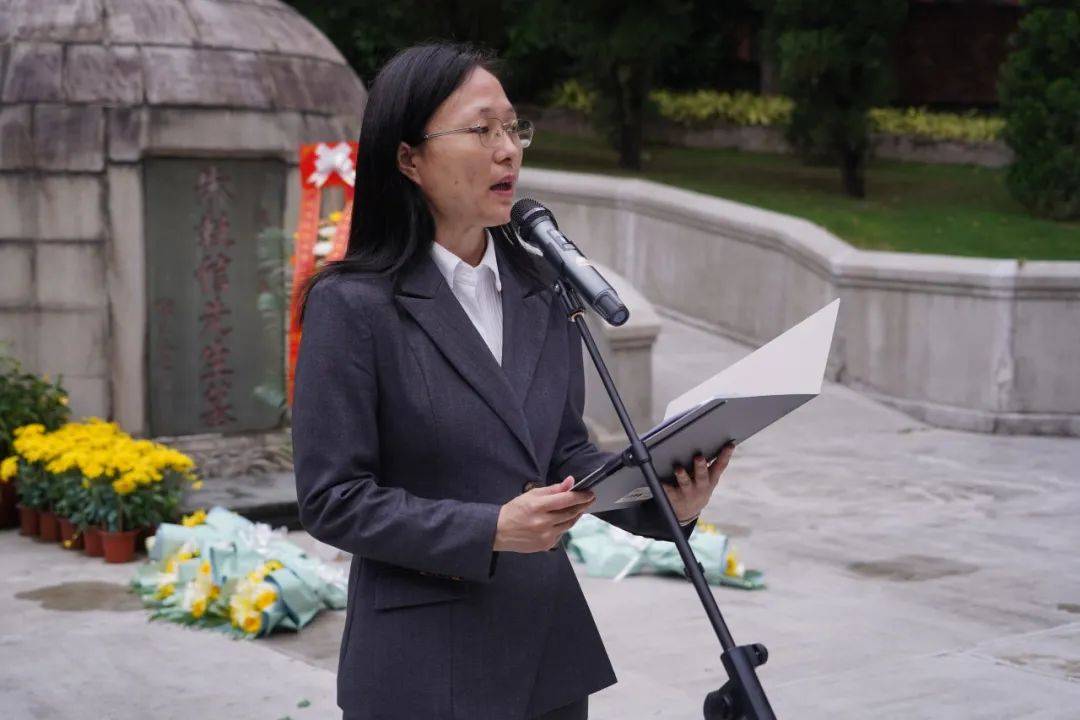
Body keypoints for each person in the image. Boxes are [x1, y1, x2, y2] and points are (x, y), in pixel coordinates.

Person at [291, 42, 736, 720]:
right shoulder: (353, 305)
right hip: (422, 662)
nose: (507, 150)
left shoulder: (540, 287)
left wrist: (664, 503)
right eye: (480, 129)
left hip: (546, 653)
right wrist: (490, 528)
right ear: (409, 159)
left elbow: (564, 449)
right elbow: (333, 500)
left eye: (512, 128)